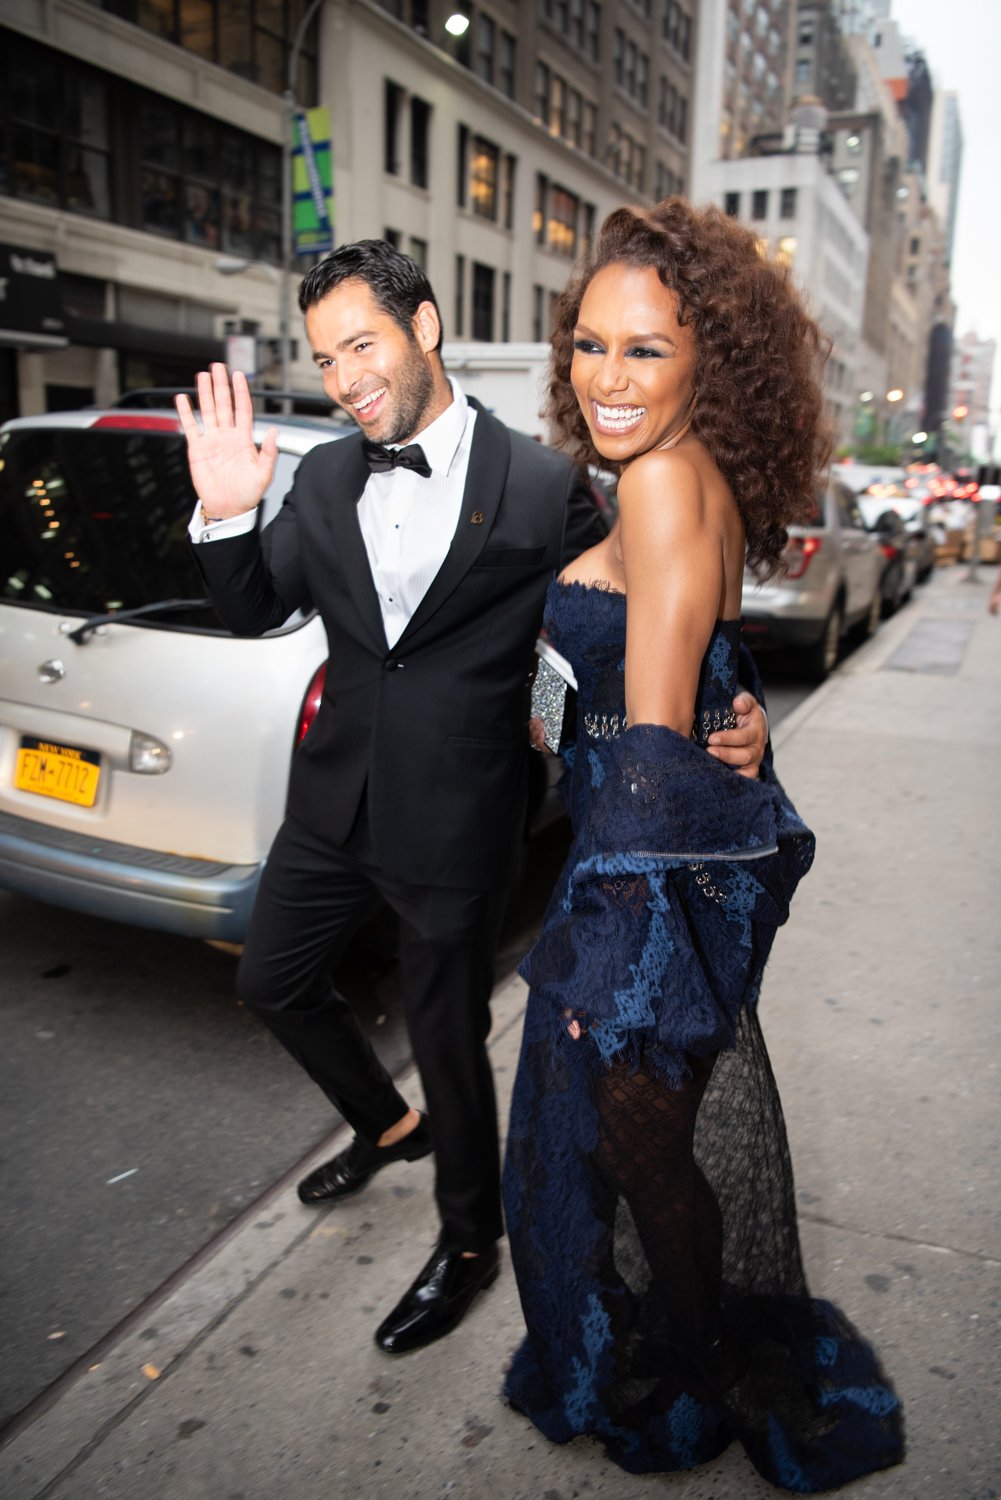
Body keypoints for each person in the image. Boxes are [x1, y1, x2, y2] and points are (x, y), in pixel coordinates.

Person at [176, 239, 768, 1357]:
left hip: (458, 817)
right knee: (271, 980)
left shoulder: (547, 487)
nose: (345, 375)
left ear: (425, 328)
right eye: (325, 356)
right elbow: (257, 610)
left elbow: (650, 606)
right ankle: (382, 1124)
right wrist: (225, 517)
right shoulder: (322, 478)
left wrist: (732, 710)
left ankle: (464, 1243)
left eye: (363, 343)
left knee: (448, 1036)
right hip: (332, 801)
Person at [501, 200, 905, 1490]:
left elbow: (659, 767)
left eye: (645, 351)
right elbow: (681, 702)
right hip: (644, 875)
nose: (605, 379)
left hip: (640, 902)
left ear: (705, 365)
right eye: (587, 344)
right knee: (646, 1154)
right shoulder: (677, 477)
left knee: (636, 1152)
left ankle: (703, 1368)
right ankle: (707, 1345)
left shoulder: (664, 483)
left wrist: (600, 977)